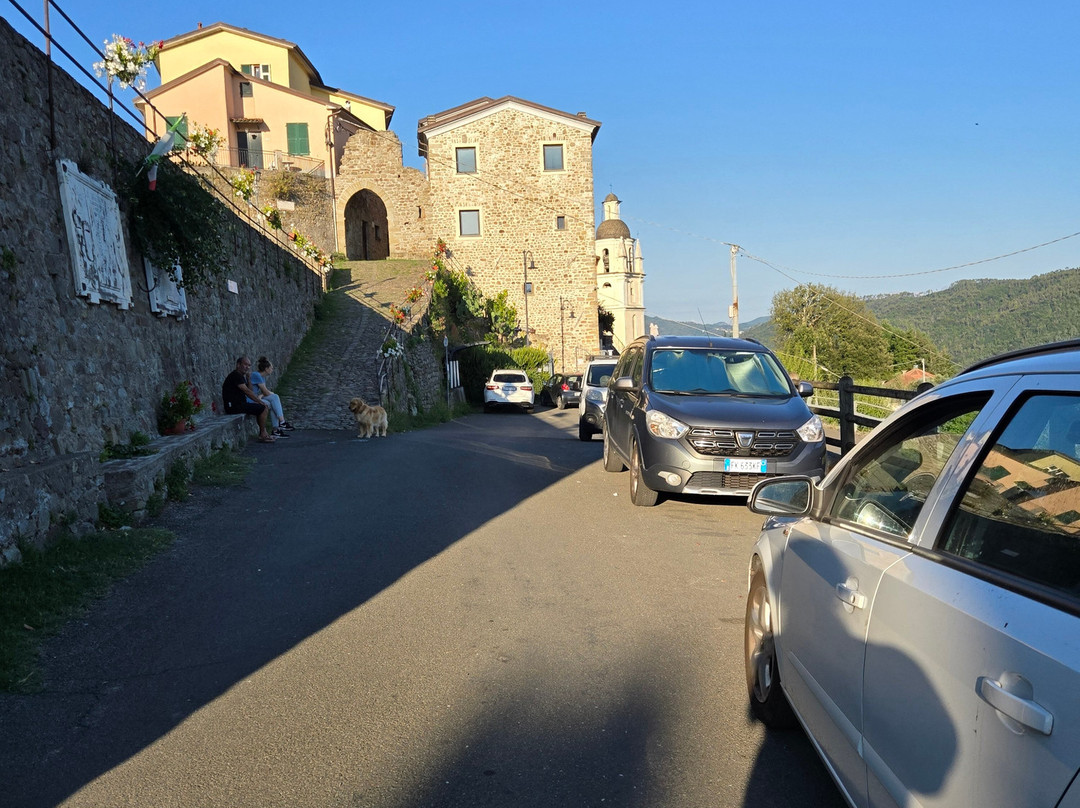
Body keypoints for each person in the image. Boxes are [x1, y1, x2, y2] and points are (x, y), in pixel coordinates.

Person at [222, 355, 274, 443]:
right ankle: (263, 434)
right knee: (263, 407)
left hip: (240, 404)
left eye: (249, 365)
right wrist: (259, 401)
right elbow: (247, 391)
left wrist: (249, 379)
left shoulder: (241, 376)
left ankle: (263, 433)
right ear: (238, 365)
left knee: (261, 407)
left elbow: (250, 390)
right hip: (233, 406)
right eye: (245, 364)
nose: (247, 367)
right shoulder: (235, 375)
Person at [249, 357, 294, 437]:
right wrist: (266, 394)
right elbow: (266, 392)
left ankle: (277, 429)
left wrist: (260, 395)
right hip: (250, 400)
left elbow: (264, 392)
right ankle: (280, 425)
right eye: (271, 368)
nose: (272, 369)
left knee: (273, 400)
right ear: (266, 369)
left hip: (255, 398)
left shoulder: (261, 377)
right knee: (274, 398)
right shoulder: (256, 375)